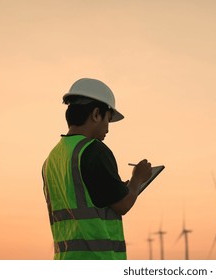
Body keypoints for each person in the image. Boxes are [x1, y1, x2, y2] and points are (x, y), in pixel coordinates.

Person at [42, 78, 152, 260]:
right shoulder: (93, 150)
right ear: (95, 114)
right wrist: (138, 178)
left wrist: (117, 187)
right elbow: (123, 205)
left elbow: (85, 198)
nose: (107, 128)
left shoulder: (52, 158)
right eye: (108, 120)